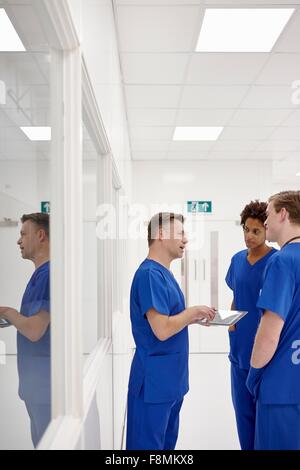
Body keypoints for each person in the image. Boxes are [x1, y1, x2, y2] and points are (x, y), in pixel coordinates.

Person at [126, 212, 215, 450]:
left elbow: (169, 318)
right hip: (153, 383)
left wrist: (194, 317)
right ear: (161, 234)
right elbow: (162, 330)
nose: (185, 239)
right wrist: (192, 311)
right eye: (181, 233)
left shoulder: (164, 273)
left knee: (166, 445)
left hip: (170, 380)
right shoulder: (149, 275)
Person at [246, 191, 300, 450]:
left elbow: (268, 335)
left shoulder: (283, 261)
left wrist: (254, 375)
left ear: (283, 213)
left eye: (268, 214)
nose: (264, 221)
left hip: (282, 389)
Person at [225, 201, 277, 450]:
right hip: (239, 349)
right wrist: (231, 322)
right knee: (243, 414)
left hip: (267, 351)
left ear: (267, 231)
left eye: (256, 231)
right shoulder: (237, 260)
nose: (249, 236)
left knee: (265, 419)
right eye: (246, 229)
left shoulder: (277, 261)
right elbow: (237, 293)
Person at [0, 213, 50, 448]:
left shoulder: (48, 275)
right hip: (36, 386)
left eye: (23, 234)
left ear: (40, 235)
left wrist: (7, 311)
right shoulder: (40, 275)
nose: (19, 241)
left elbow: (34, 330)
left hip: (45, 389)